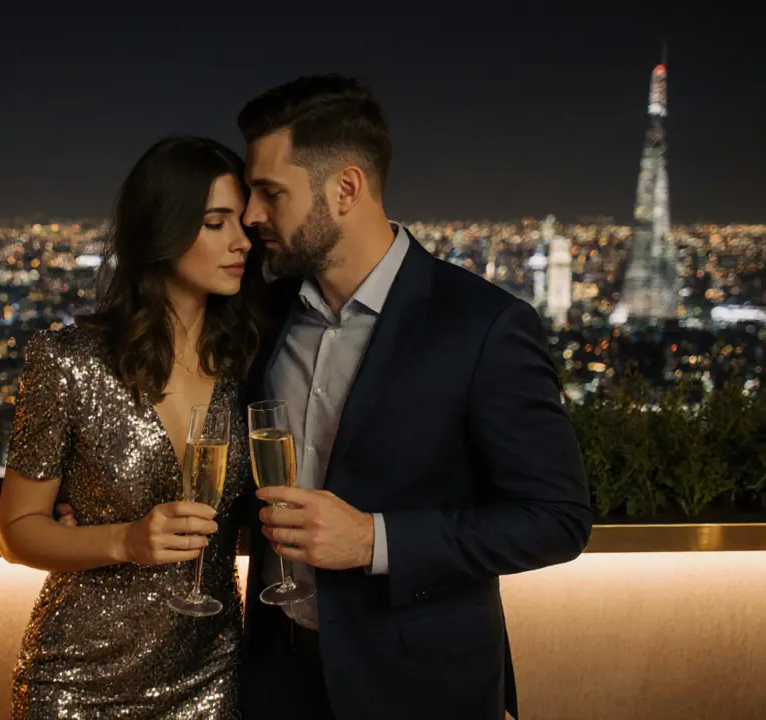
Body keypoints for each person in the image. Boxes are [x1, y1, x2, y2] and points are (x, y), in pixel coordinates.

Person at [236, 75, 594, 720]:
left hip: (418, 689)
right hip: (276, 678)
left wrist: (374, 541)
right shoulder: (269, 312)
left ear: (345, 188)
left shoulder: (482, 325)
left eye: (270, 193)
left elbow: (557, 519)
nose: (251, 214)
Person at [0, 135, 264, 719]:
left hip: (210, 673)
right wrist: (124, 540)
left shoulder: (250, 363)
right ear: (162, 230)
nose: (241, 241)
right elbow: (14, 533)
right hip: (79, 680)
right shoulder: (67, 361)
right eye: (216, 223)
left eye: (242, 223)